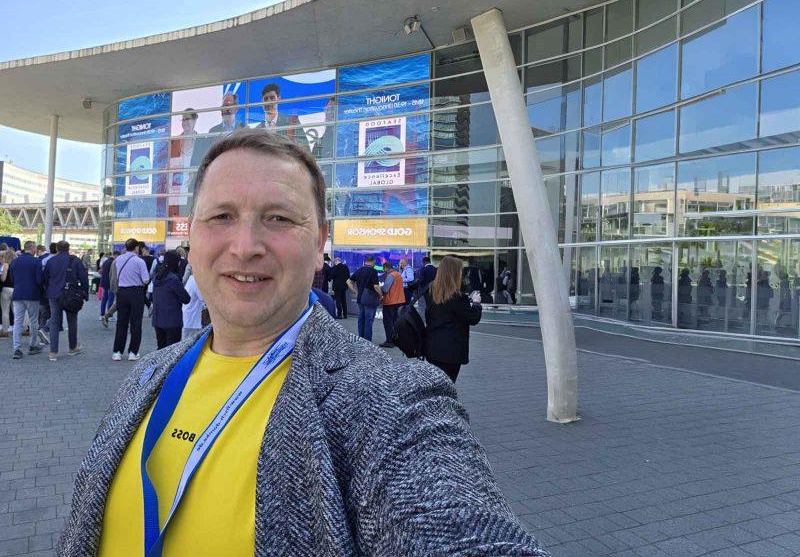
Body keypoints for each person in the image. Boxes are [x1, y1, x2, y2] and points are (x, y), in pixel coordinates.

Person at [59, 129, 547, 556]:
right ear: (193, 237)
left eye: (278, 218)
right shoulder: (147, 376)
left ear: (319, 245)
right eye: (222, 216)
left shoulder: (388, 399)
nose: (245, 244)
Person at [424, 255, 482, 383]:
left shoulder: (432, 291)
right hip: (451, 351)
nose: (462, 274)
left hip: (432, 347)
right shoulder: (457, 297)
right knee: (447, 386)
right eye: (460, 271)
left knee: (436, 385)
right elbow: (473, 318)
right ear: (454, 273)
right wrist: (477, 303)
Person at [43, 241, 88, 362]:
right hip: (71, 295)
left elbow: (45, 278)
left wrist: (49, 289)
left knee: (54, 322)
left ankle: (53, 352)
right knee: (72, 321)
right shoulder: (75, 260)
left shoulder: (51, 261)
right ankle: (72, 348)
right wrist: (86, 293)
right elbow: (84, 278)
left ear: (57, 249)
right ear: (69, 248)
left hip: (54, 295)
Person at [112, 238, 150, 361]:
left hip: (122, 292)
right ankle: (133, 352)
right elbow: (145, 280)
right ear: (136, 248)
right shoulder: (139, 261)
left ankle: (117, 351)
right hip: (136, 293)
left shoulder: (118, 260)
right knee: (136, 323)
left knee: (121, 322)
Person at [9, 241, 43, 358]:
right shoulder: (37, 262)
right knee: (33, 320)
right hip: (33, 295)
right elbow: (39, 280)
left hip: (18, 294)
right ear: (32, 248)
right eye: (35, 248)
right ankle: (33, 345)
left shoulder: (15, 261)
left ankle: (16, 349)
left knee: (17, 321)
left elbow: (12, 278)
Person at [151, 250, 191, 349]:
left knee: (161, 349)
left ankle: (159, 365)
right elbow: (186, 298)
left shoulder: (157, 277)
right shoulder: (173, 279)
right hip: (172, 320)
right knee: (172, 352)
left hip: (158, 319)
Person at [347, 255, 382, 341]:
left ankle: (361, 339)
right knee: (368, 321)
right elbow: (376, 286)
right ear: (373, 261)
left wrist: (355, 291)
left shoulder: (359, 270)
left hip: (360, 298)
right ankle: (367, 341)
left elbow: (348, 281)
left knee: (361, 320)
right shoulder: (373, 271)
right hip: (370, 300)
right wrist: (380, 295)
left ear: (365, 261)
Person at [378, 260, 404, 348]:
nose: (383, 270)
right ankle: (396, 340)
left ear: (386, 268)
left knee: (388, 322)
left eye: (383, 268)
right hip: (399, 301)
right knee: (395, 322)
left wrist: (379, 288)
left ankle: (389, 341)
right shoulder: (398, 274)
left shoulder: (391, 275)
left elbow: (385, 289)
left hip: (390, 302)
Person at [181, 271, 205, 341]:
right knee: (190, 342)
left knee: (185, 341)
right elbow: (202, 297)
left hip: (188, 317)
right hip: (192, 320)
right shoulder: (195, 281)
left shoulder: (191, 279)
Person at [0, 249, 16, 337]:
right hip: (15, 289)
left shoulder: (5, 265)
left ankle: (5, 331)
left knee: (5, 311)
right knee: (16, 311)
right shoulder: (16, 265)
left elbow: (3, 279)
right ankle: (22, 328)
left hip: (6, 289)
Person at [99, 251, 118, 319]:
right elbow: (113, 274)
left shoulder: (106, 261)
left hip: (104, 282)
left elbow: (101, 271)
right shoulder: (114, 262)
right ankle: (109, 316)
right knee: (111, 299)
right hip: (110, 283)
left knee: (104, 299)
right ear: (116, 255)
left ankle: (102, 314)